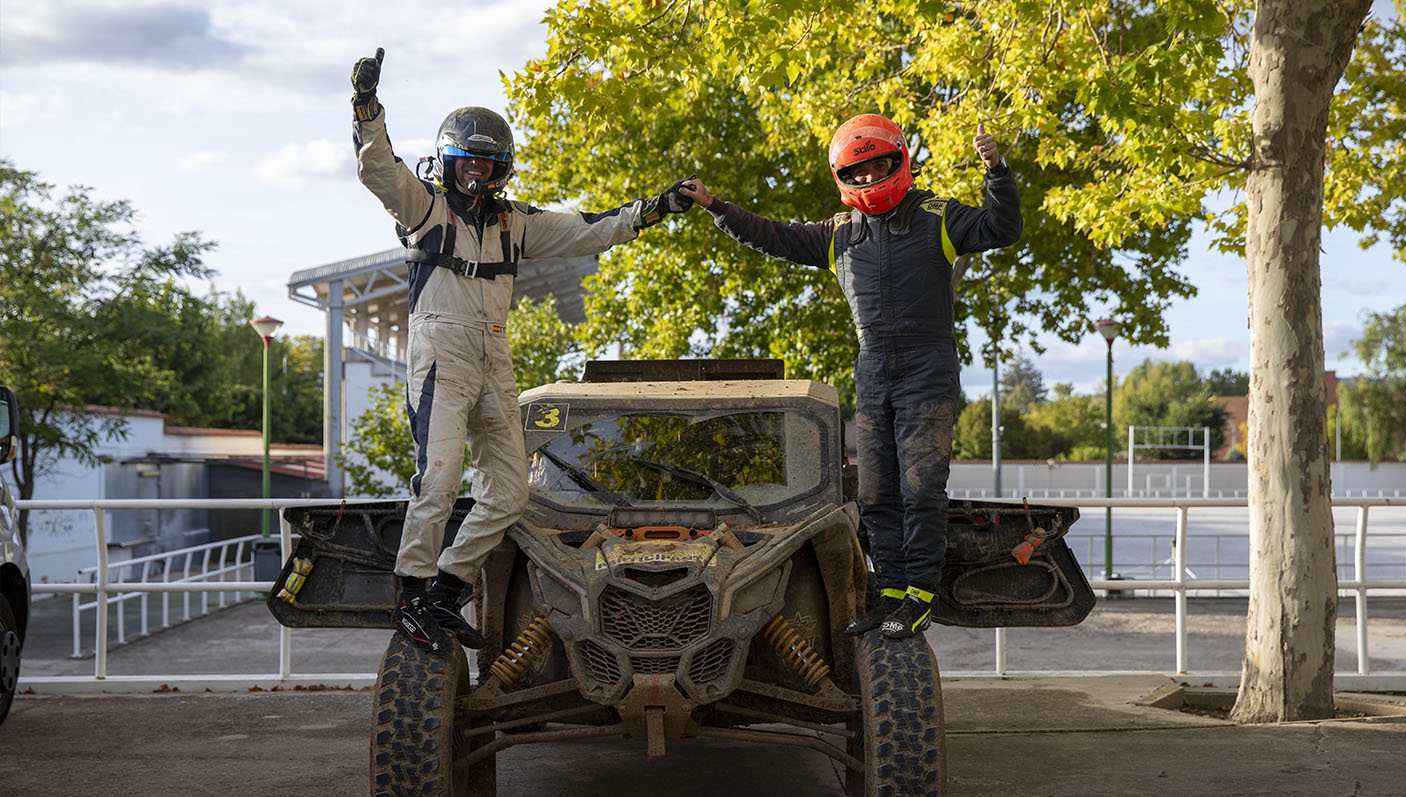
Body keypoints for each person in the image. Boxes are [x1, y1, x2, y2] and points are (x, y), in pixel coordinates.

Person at [350, 48, 693, 654]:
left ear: (501, 168)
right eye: (466, 163)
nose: (475, 175)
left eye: (486, 164)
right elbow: (379, 168)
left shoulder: (518, 222)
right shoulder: (423, 208)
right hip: (441, 351)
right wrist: (367, 108)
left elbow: (590, 227)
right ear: (448, 163)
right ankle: (408, 595)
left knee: (510, 491)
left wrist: (656, 209)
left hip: (494, 355)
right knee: (439, 479)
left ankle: (445, 590)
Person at [678, 115, 1022, 639]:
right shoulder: (838, 233)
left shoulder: (939, 216)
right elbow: (772, 236)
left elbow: (1003, 229)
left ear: (899, 161)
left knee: (920, 488)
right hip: (873, 368)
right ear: (843, 177)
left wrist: (996, 171)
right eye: (856, 172)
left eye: (876, 166)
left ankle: (920, 597)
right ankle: (887, 594)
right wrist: (714, 206)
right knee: (877, 493)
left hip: (928, 366)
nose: (867, 179)